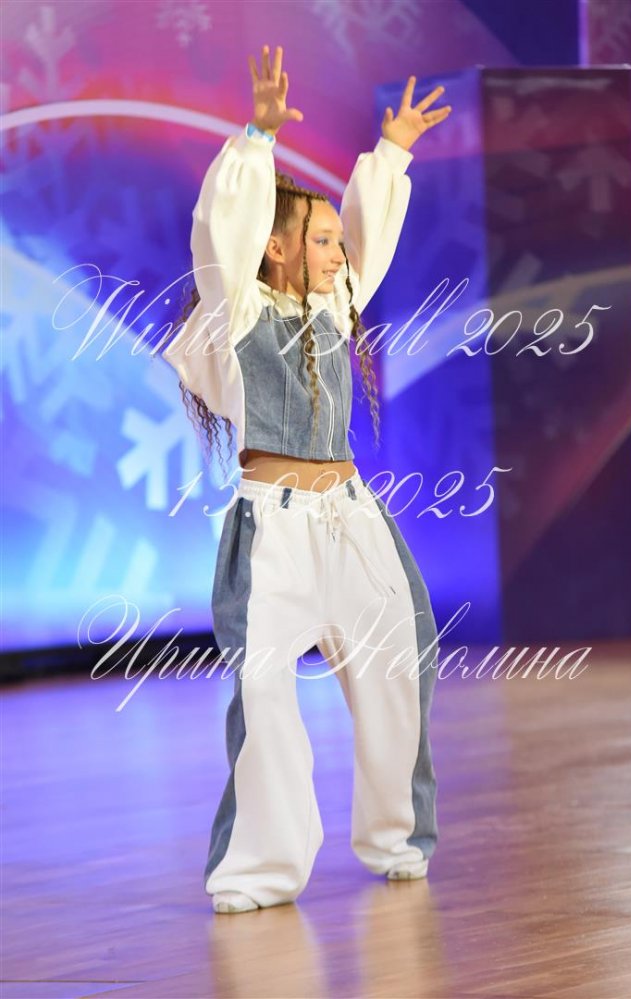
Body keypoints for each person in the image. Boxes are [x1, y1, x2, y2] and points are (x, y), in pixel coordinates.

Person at [163, 44, 452, 914]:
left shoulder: (333, 302)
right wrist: (257, 137)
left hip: (352, 521)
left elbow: (371, 236)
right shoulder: (237, 309)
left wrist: (392, 152)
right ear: (275, 246)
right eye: (320, 240)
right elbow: (221, 232)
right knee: (263, 696)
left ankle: (397, 836)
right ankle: (258, 867)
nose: (338, 252)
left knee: (400, 662)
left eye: (335, 239)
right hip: (276, 530)